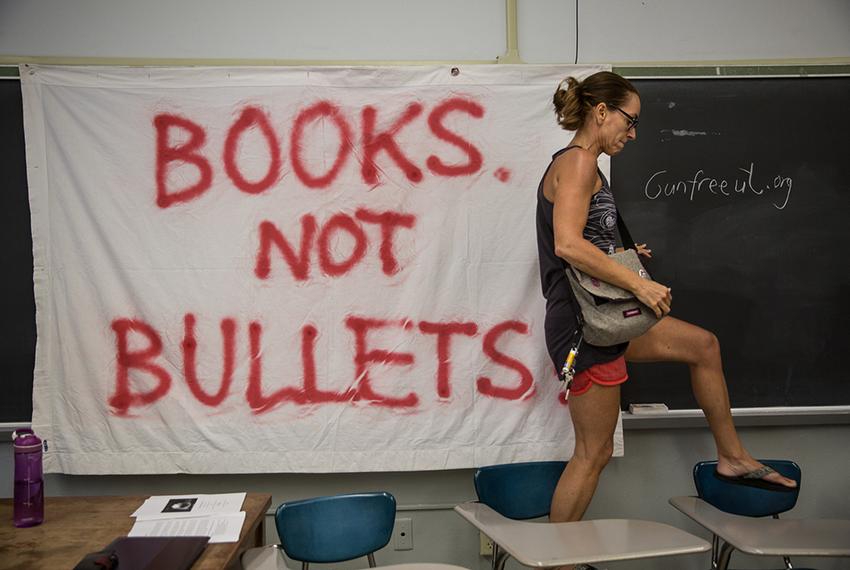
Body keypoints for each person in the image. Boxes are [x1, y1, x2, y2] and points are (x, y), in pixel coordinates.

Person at [535, 71, 796, 527]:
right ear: (601, 112)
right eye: (629, 121)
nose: (632, 134)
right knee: (591, 454)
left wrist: (626, 255)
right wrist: (640, 283)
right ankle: (558, 562)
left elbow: (585, 242)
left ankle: (732, 457)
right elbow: (567, 245)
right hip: (585, 326)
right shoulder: (576, 162)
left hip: (605, 318)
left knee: (703, 346)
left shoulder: (585, 166)